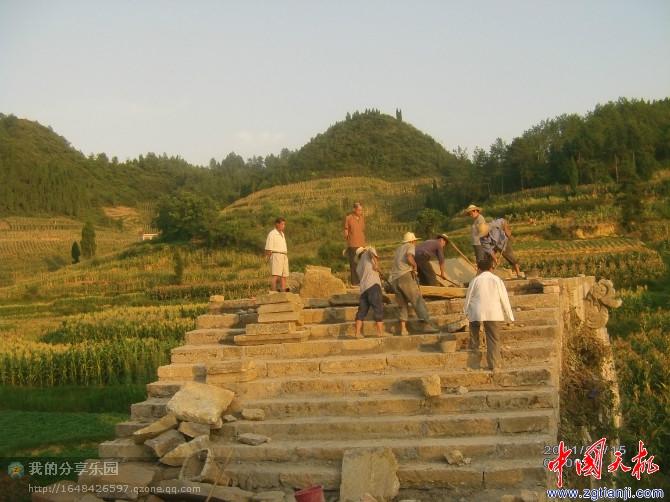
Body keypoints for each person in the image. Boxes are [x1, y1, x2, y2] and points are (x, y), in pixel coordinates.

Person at [463, 253, 515, 372]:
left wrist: (465, 312)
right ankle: (494, 364)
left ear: (479, 269)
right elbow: (504, 298)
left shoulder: (475, 280)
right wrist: (510, 316)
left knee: (474, 333)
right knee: (493, 338)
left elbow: (468, 297)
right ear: (491, 268)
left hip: (476, 312)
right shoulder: (497, 280)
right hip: (493, 312)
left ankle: (473, 357)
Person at [388, 232, 440, 336]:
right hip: (405, 277)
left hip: (394, 279)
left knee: (402, 305)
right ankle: (426, 324)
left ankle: (403, 330)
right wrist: (415, 266)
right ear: (412, 241)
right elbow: (409, 257)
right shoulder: (410, 246)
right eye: (415, 241)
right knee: (417, 300)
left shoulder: (399, 249)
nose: (415, 243)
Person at [352, 246, 384, 338]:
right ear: (364, 251)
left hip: (363, 290)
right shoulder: (367, 253)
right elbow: (371, 250)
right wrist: (376, 264)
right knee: (378, 308)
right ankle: (380, 332)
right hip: (373, 286)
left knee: (361, 312)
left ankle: (357, 333)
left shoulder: (358, 266)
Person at [343, 202, 366, 285]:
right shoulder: (348, 218)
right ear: (354, 209)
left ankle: (362, 281)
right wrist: (348, 241)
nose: (361, 212)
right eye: (359, 210)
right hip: (352, 244)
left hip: (362, 244)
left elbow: (362, 229)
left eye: (361, 210)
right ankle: (355, 283)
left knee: (362, 263)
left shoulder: (362, 218)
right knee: (353, 264)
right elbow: (346, 230)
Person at [264, 217, 289, 292]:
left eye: (284, 224)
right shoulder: (272, 234)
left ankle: (283, 290)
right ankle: (273, 291)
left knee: (284, 275)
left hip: (284, 255)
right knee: (275, 275)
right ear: (277, 224)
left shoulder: (283, 234)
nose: (283, 226)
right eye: (282, 224)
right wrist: (268, 258)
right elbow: (268, 247)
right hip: (276, 254)